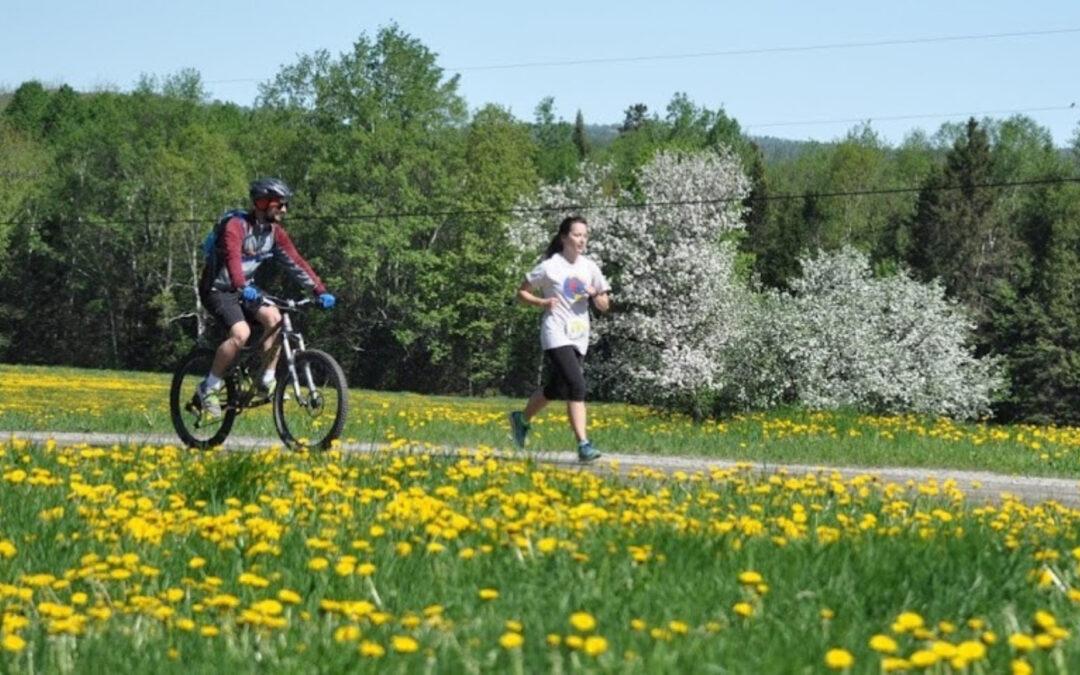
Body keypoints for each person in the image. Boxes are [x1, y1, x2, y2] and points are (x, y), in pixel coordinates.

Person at [195, 178, 336, 418]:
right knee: (241, 334)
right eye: (279, 204)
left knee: (276, 318)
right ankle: (209, 386)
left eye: (285, 205)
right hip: (218, 289)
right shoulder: (236, 227)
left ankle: (266, 379)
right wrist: (240, 286)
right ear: (262, 203)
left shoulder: (274, 233)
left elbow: (296, 263)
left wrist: (319, 290)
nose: (284, 210)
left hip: (245, 288)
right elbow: (233, 260)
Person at [508, 216, 611, 462]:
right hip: (555, 332)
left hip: (579, 334)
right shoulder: (549, 266)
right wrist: (542, 302)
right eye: (577, 235)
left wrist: (595, 294)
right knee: (577, 385)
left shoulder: (590, 267)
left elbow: (605, 305)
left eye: (585, 236)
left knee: (556, 388)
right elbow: (522, 293)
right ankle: (583, 444)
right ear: (564, 237)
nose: (582, 240)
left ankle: (520, 420)